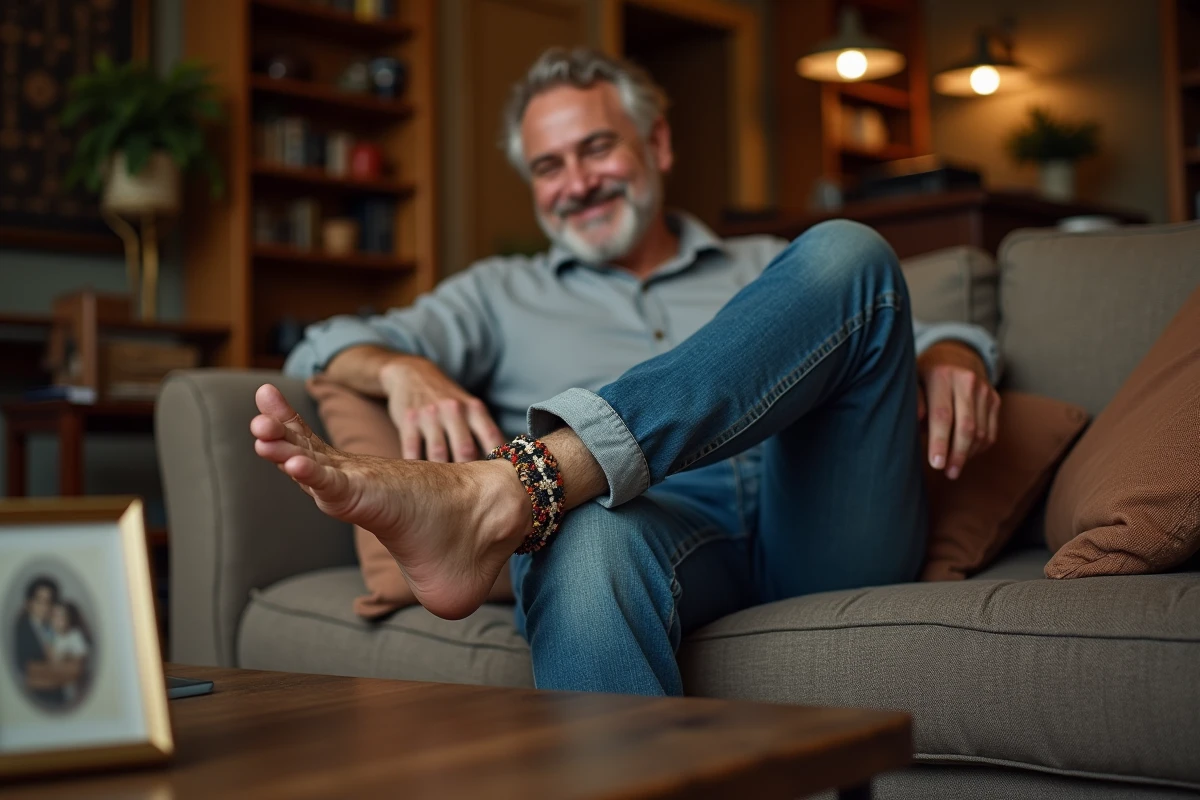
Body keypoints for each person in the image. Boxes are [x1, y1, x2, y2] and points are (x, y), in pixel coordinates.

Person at [261, 47, 1002, 697]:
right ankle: (536, 496)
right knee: (582, 542)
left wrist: (953, 352)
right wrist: (400, 367)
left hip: (820, 519)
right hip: (655, 535)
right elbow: (323, 344)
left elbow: (887, 318)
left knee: (847, 250)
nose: (577, 182)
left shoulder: (763, 264)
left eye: (597, 149)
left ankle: (508, 491)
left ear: (658, 144)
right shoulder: (496, 294)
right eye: (549, 167)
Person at [15, 577, 67, 707]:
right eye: (40, 601)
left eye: (49, 601)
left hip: (59, 698)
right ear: (29, 603)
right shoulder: (22, 630)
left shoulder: (53, 627)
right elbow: (26, 669)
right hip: (37, 700)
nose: (45, 607)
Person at [48, 601, 92, 705]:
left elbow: (81, 659)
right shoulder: (54, 637)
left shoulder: (75, 636)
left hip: (73, 686)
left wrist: (66, 657)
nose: (56, 621)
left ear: (69, 619)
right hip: (56, 684)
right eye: (54, 616)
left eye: (61, 617)